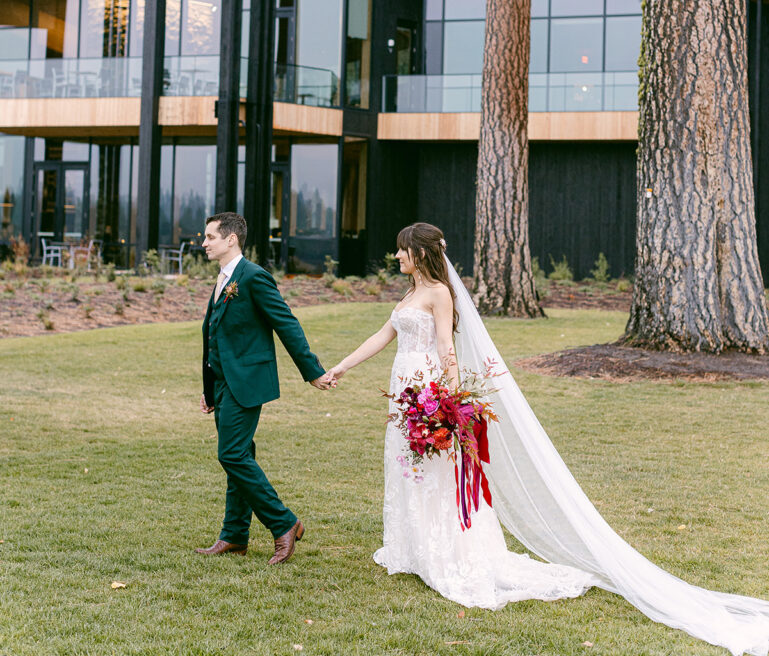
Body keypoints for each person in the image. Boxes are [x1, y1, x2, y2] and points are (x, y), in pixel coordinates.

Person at [327, 222, 769, 655]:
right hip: (403, 392)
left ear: (420, 253)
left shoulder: (439, 293)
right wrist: (342, 367)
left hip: (428, 390)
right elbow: (382, 336)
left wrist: (451, 402)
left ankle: (445, 552)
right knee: (409, 465)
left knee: (438, 471)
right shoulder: (409, 294)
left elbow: (446, 347)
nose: (397, 256)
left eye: (402, 250)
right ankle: (413, 547)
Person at [196, 212, 332, 564]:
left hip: (247, 382)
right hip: (224, 384)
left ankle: (285, 523)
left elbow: (286, 324)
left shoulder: (254, 277)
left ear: (231, 240)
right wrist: (210, 389)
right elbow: (214, 335)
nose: (204, 243)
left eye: (210, 237)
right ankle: (235, 535)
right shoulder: (223, 279)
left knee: (232, 455)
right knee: (240, 455)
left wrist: (312, 371)